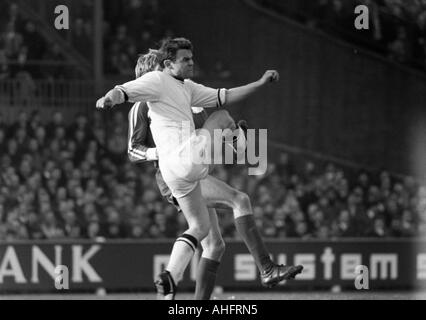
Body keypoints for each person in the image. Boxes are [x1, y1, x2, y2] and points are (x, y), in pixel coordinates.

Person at [96, 38, 303, 300]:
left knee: (213, 244)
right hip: (173, 172)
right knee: (239, 200)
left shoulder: (185, 95)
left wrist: (229, 139)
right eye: (150, 70)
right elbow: (133, 149)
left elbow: (207, 135)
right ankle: (267, 268)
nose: (153, 73)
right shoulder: (142, 104)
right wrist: (161, 152)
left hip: (189, 166)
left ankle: (177, 292)